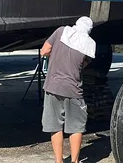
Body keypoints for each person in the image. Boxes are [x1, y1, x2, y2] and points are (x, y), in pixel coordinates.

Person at [40, 16, 95, 163]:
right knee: (76, 127)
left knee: (55, 125)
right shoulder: (90, 44)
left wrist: (56, 57)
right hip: (73, 90)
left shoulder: (61, 32)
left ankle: (59, 161)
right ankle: (75, 161)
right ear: (89, 31)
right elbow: (83, 65)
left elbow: (44, 51)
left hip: (53, 86)